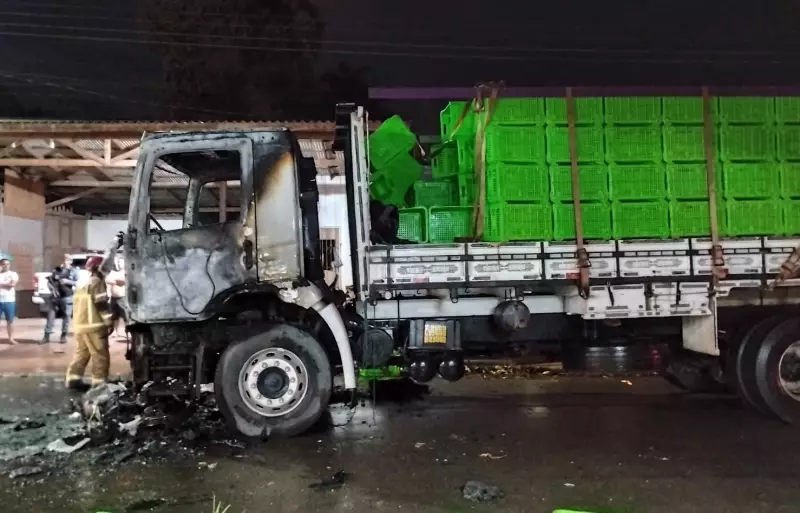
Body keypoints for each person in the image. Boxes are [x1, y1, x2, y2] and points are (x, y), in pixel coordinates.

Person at [65, 262, 113, 389]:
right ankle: (99, 382)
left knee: (82, 353)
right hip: (94, 326)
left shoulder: (82, 283)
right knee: (100, 353)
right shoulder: (97, 281)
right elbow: (101, 303)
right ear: (98, 268)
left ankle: (73, 378)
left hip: (80, 325)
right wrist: (109, 321)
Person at [43, 255, 78, 348]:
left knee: (66, 316)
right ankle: (46, 336)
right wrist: (52, 290)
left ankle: (63, 335)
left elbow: (78, 283)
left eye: (67, 259)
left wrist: (67, 281)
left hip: (67, 297)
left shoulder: (74, 271)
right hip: (55, 297)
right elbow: (49, 281)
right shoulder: (56, 270)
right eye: (63, 259)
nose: (64, 261)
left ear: (70, 261)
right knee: (50, 316)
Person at [105, 255, 126, 339]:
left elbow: (124, 282)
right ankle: (115, 331)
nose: (119, 263)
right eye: (118, 262)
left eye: (121, 261)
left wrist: (116, 282)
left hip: (123, 297)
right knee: (114, 316)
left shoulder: (125, 272)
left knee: (125, 316)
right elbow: (107, 280)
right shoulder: (112, 272)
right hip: (114, 297)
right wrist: (116, 282)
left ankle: (126, 331)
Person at [0, 258, 19, 345]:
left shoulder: (13, 274)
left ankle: (11, 338)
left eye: (8, 264)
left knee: (10, 320)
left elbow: (12, 285)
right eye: (4, 264)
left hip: (9, 300)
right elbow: (8, 285)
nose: (6, 266)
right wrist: (6, 284)